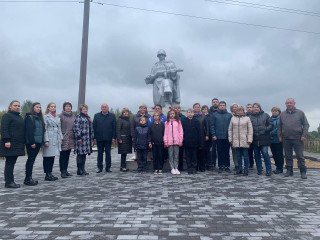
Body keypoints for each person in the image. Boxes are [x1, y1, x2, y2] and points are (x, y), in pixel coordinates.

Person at [277, 98, 309, 179]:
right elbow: (279, 126)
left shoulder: (300, 113)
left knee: (300, 155)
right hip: (286, 138)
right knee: (288, 155)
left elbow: (306, 124)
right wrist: (280, 136)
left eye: (290, 103)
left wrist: (304, 135)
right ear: (285, 104)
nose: (289, 104)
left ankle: (302, 171)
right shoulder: (282, 114)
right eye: (287, 103)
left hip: (298, 138)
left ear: (294, 103)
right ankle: (289, 171)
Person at [0, 100, 25, 188]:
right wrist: (6, 140)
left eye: (18, 105)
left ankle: (10, 181)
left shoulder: (19, 117)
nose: (17, 107)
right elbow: (4, 128)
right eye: (15, 105)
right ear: (10, 106)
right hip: (10, 143)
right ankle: (9, 182)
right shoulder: (7, 116)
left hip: (17, 143)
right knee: (9, 163)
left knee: (12, 162)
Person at [249, 103, 273, 176]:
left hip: (264, 138)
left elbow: (271, 124)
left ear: (260, 108)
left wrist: (266, 129)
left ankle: (269, 169)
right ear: (252, 108)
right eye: (254, 107)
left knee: (265, 154)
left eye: (257, 107)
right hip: (255, 138)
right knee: (256, 155)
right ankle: (259, 169)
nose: (256, 108)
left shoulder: (265, 115)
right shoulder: (250, 117)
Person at [24, 102, 45, 186]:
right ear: (33, 108)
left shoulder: (39, 118)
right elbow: (29, 131)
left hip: (38, 142)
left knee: (32, 160)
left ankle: (28, 178)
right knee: (30, 160)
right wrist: (32, 142)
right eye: (37, 107)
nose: (39, 108)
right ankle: (28, 178)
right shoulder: (29, 117)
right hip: (32, 142)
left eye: (40, 107)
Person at [228, 106, 253, 176]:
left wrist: (249, 139)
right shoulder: (233, 118)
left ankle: (246, 170)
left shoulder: (247, 118)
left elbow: (250, 130)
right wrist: (230, 139)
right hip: (236, 140)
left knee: (245, 156)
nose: (239, 112)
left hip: (245, 140)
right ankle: (239, 169)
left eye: (241, 110)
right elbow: (230, 129)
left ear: (243, 111)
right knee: (238, 156)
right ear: (236, 111)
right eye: (238, 111)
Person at [93, 103, 116, 173]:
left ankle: (108, 167)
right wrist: (94, 138)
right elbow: (94, 127)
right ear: (101, 108)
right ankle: (100, 167)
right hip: (99, 138)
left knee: (108, 153)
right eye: (103, 107)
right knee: (100, 153)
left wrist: (114, 137)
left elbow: (114, 127)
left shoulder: (112, 116)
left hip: (109, 138)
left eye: (105, 107)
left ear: (108, 108)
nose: (104, 108)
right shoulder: (96, 115)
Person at [42, 102, 63, 181]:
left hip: (56, 138)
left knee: (52, 156)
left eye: (54, 106)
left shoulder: (57, 117)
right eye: (52, 106)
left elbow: (59, 128)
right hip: (49, 137)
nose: (53, 108)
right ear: (48, 108)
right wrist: (46, 140)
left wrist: (60, 138)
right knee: (47, 156)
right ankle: (47, 174)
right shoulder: (46, 117)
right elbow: (45, 129)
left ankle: (50, 172)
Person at [211, 101, 232, 173]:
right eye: (221, 105)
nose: (222, 106)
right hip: (218, 137)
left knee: (226, 152)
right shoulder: (215, 115)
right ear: (219, 106)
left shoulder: (229, 115)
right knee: (219, 152)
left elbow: (231, 126)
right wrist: (213, 134)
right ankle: (220, 166)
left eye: (223, 105)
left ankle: (227, 166)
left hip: (227, 137)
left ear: (225, 106)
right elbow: (212, 125)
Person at [73, 104, 94, 176]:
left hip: (87, 139)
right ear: (81, 110)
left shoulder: (88, 117)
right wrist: (78, 137)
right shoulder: (79, 117)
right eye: (84, 109)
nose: (85, 110)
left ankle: (83, 168)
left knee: (84, 154)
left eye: (86, 109)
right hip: (81, 139)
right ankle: (79, 169)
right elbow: (76, 127)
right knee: (80, 154)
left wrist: (92, 137)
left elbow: (91, 127)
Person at [58, 102, 75, 178]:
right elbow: (58, 127)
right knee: (63, 155)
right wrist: (60, 137)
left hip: (71, 138)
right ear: (64, 107)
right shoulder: (60, 116)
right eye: (66, 106)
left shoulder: (73, 116)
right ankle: (62, 171)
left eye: (69, 106)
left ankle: (66, 170)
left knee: (67, 154)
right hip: (63, 137)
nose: (68, 108)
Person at [164, 110, 183, 174]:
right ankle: (172, 168)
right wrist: (165, 141)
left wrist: (180, 140)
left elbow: (181, 132)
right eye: (171, 114)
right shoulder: (166, 122)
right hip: (169, 142)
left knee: (176, 155)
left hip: (176, 141)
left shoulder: (178, 122)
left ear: (175, 114)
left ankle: (176, 167)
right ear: (169, 115)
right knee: (171, 155)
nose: (172, 115)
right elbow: (165, 133)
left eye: (173, 113)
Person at [182, 109, 200, 174]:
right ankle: (189, 167)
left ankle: (194, 167)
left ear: (193, 113)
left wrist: (198, 141)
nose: (190, 113)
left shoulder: (196, 121)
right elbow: (182, 132)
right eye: (189, 112)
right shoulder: (184, 121)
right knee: (188, 155)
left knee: (194, 155)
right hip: (187, 141)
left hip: (194, 141)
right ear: (187, 113)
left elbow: (199, 132)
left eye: (191, 112)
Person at [193, 103, 209, 172]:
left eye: (198, 107)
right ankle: (195, 166)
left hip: (202, 136)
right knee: (195, 153)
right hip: (194, 137)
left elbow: (207, 126)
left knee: (202, 152)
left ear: (200, 108)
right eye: (195, 107)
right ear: (193, 108)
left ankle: (202, 166)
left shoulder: (203, 116)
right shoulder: (192, 116)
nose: (197, 108)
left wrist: (207, 135)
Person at [117, 108, 132, 172]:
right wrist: (119, 138)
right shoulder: (120, 119)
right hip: (122, 138)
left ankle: (122, 165)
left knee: (125, 153)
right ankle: (123, 166)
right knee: (123, 153)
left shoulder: (128, 120)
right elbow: (118, 129)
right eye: (124, 112)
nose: (126, 113)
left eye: (127, 112)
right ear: (122, 113)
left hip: (127, 138)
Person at [270, 106, 284, 174]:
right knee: (274, 154)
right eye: (273, 111)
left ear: (279, 112)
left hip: (278, 139)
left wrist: (271, 133)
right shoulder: (270, 119)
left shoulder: (281, 119)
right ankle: (277, 166)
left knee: (279, 154)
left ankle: (280, 167)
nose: (274, 112)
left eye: (276, 111)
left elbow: (279, 128)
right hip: (271, 140)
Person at [174, 104, 186, 171]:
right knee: (175, 153)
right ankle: (175, 167)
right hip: (174, 138)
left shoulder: (183, 117)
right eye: (176, 108)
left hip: (181, 137)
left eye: (178, 108)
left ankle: (180, 167)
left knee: (180, 153)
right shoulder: (172, 117)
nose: (177, 109)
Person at [201, 105, 213, 171]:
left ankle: (209, 164)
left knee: (209, 151)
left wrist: (208, 134)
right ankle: (204, 164)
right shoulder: (200, 117)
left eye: (205, 109)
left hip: (208, 136)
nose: (204, 110)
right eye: (203, 109)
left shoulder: (210, 116)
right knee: (203, 151)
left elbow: (210, 126)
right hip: (201, 136)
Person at [209, 98, 219, 169]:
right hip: (211, 133)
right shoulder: (209, 112)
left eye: (216, 102)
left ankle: (221, 163)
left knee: (220, 150)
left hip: (219, 133)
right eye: (214, 102)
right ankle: (213, 163)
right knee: (213, 150)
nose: (215, 103)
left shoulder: (220, 111)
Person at [229, 103, 239, 171]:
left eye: (236, 107)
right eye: (234, 107)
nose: (235, 108)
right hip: (232, 135)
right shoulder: (229, 116)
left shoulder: (242, 115)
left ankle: (241, 163)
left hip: (241, 136)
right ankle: (236, 164)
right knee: (234, 151)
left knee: (241, 152)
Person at [246, 104, 255, 169]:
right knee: (249, 151)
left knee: (257, 151)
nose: (249, 108)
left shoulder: (254, 115)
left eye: (250, 107)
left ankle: (258, 164)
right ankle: (250, 163)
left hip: (255, 135)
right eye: (248, 107)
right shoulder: (245, 115)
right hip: (247, 135)